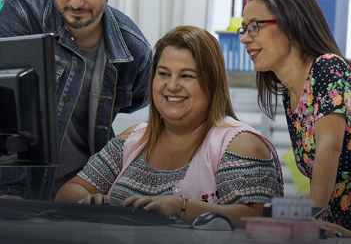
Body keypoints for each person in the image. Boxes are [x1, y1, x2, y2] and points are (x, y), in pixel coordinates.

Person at [55, 25, 284, 228]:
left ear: (213, 84)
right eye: (163, 74)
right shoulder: (133, 139)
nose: (171, 86)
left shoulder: (240, 144)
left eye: (187, 76)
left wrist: (180, 207)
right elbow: (68, 192)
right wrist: (86, 200)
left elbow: (259, 217)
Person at [0, 0, 152, 201]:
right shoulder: (23, 14)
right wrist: (11, 195)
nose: (76, 2)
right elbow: (5, 111)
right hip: (16, 194)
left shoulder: (134, 50)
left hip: (81, 198)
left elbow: (137, 104)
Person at [238, 0, 351, 236]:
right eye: (243, 29)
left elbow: (330, 147)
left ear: (290, 24)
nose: (245, 38)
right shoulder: (291, 95)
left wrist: (313, 218)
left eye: (254, 27)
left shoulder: (327, 67)